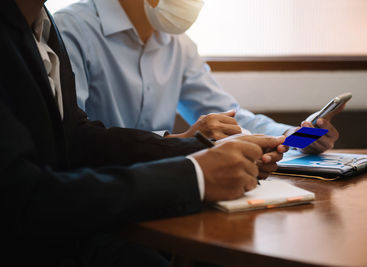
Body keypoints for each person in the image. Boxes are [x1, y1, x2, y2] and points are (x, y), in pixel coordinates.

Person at [0, 0, 286, 265]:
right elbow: (26, 198)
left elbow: (75, 135)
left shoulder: (42, 22)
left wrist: (197, 150)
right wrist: (195, 173)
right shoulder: (70, 26)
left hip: (93, 218)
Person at [54, 0, 341, 154]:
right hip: (101, 195)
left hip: (165, 187)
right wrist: (177, 142)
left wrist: (295, 136)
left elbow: (228, 116)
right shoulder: (71, 30)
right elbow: (74, 137)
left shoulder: (179, 44)